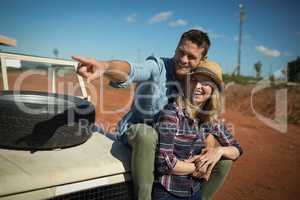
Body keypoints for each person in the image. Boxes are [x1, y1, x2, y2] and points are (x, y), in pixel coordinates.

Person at [73, 29, 233, 200]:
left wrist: (215, 149)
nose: (183, 60)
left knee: (223, 162)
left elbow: (206, 119)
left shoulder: (196, 82)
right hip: (139, 132)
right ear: (176, 48)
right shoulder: (158, 67)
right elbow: (134, 69)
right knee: (147, 135)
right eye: (181, 52)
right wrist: (105, 67)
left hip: (173, 144)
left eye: (191, 57)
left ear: (202, 60)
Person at [153, 63, 243, 200]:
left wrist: (218, 151)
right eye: (194, 80)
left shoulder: (210, 118)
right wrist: (199, 167)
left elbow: (237, 150)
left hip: (194, 191)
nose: (197, 86)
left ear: (213, 90)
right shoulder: (171, 114)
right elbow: (165, 164)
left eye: (205, 82)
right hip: (168, 192)